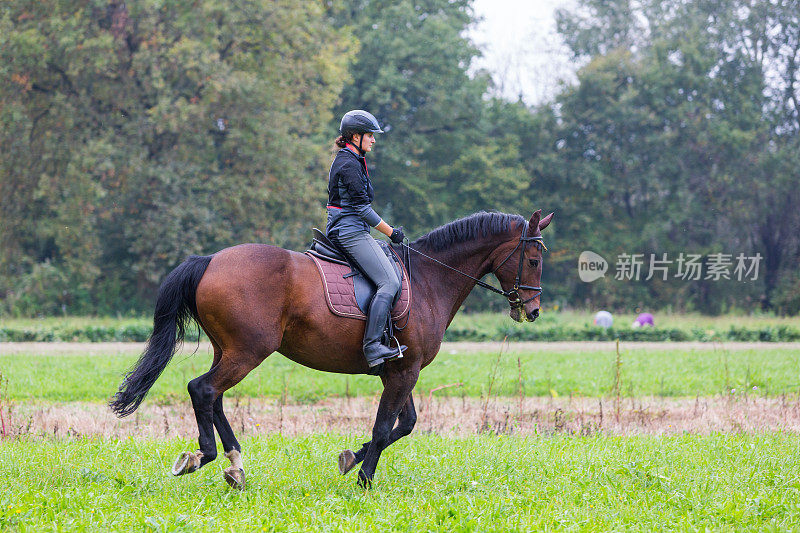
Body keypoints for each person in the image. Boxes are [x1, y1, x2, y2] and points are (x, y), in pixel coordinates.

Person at [326, 109, 407, 372]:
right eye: (370, 135)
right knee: (389, 281)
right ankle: (373, 346)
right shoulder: (348, 164)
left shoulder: (354, 159)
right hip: (349, 232)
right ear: (355, 136)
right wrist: (391, 232)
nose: (373, 140)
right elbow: (362, 209)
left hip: (354, 229)